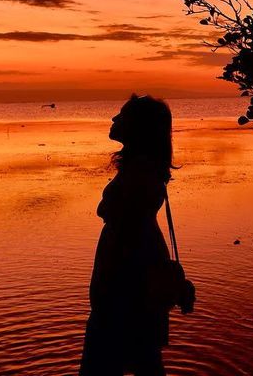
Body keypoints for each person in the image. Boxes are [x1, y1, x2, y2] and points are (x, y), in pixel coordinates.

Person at [80, 94, 195, 376]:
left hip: (127, 279)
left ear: (138, 127)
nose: (114, 119)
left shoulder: (140, 172)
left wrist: (111, 288)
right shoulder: (143, 168)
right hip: (135, 274)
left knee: (105, 364)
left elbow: (122, 221)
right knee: (144, 359)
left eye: (122, 115)